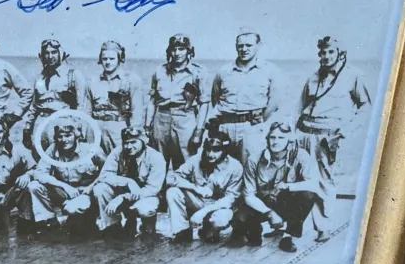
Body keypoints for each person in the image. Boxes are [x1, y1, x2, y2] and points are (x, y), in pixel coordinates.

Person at [233, 121, 328, 252]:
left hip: (285, 201)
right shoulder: (254, 160)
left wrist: (287, 186)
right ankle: (255, 231)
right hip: (262, 203)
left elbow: (313, 184)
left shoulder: (301, 156)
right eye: (272, 137)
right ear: (267, 139)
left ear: (289, 140)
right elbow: (249, 195)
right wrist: (269, 213)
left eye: (281, 137)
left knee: (308, 195)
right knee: (240, 219)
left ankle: (288, 236)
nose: (275, 142)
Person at [297, 36, 372, 193]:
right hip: (305, 136)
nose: (326, 56)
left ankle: (328, 207)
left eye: (331, 52)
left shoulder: (352, 76)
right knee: (303, 180)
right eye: (323, 52)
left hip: (328, 139)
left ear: (340, 54)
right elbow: (299, 107)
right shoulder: (313, 77)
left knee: (326, 182)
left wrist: (347, 131)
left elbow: (366, 106)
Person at [206, 29, 286, 167]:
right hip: (225, 128)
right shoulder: (224, 71)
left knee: (250, 167)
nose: (244, 49)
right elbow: (216, 99)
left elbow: (274, 103)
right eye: (240, 46)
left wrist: (257, 121)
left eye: (249, 45)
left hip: (252, 129)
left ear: (259, 45)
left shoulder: (270, 71)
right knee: (223, 168)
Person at [165, 131, 244, 244]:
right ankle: (182, 231)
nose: (210, 154)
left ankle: (211, 228)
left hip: (218, 206)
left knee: (220, 220)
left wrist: (203, 212)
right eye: (208, 150)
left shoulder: (235, 167)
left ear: (224, 151)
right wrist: (195, 187)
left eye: (216, 151)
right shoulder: (196, 159)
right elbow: (171, 178)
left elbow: (230, 199)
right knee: (173, 192)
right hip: (198, 201)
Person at [26, 119, 101, 237]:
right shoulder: (53, 149)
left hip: (83, 193)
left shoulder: (90, 150)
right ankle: (50, 221)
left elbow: (107, 172)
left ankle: (90, 217)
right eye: (60, 136)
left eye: (68, 135)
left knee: (73, 210)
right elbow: (40, 173)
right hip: (62, 192)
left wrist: (91, 187)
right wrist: (64, 186)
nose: (64, 140)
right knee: (34, 186)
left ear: (76, 136)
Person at [146, 34, 210, 169]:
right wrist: (147, 126)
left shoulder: (198, 73)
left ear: (189, 51)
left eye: (181, 49)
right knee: (157, 161)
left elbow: (204, 104)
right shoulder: (159, 71)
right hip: (161, 120)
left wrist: (199, 131)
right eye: (174, 49)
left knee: (186, 162)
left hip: (185, 119)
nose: (177, 53)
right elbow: (152, 101)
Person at [89, 128, 166, 238]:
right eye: (126, 143)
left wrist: (123, 197)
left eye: (133, 142)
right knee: (100, 189)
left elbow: (152, 189)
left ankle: (148, 228)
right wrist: (128, 181)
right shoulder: (118, 152)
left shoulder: (156, 157)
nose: (129, 147)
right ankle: (113, 226)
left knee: (146, 208)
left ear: (143, 141)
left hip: (145, 195)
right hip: (122, 191)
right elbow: (104, 175)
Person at [23, 39, 88, 156]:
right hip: (41, 123)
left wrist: (79, 130)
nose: (50, 56)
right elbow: (34, 106)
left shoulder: (73, 75)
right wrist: (27, 128)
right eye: (46, 53)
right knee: (38, 156)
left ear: (60, 54)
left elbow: (82, 105)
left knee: (61, 158)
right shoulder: (40, 77)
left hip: (62, 123)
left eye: (53, 52)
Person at [85, 41, 144, 165]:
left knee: (121, 162)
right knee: (95, 162)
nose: (108, 62)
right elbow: (87, 110)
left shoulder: (131, 80)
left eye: (112, 59)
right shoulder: (92, 81)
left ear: (119, 59)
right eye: (104, 58)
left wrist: (133, 136)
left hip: (119, 127)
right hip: (95, 128)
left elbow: (137, 112)